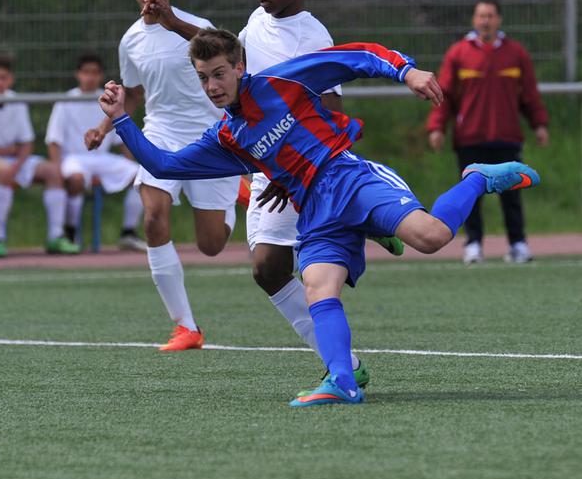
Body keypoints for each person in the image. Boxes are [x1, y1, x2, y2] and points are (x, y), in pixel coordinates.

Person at [99, 29, 539, 407]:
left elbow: (357, 57)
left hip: (346, 176)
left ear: (239, 66)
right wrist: (121, 118)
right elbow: (163, 164)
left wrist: (406, 70)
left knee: (431, 236)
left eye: (218, 74)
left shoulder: (282, 81)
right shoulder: (228, 137)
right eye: (203, 79)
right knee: (318, 288)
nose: (212, 86)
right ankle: (344, 382)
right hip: (313, 210)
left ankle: (477, 180)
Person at [137, 0, 402, 385]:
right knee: (267, 269)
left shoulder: (311, 36)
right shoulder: (258, 20)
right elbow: (226, 62)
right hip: (269, 162)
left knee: (269, 266)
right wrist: (174, 23)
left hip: (300, 164)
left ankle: (343, 361)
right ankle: (346, 363)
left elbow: (331, 107)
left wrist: (293, 167)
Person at [84, 0, 240, 352]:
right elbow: (134, 93)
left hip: (211, 138)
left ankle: (239, 189)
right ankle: (186, 327)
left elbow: (232, 70)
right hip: (161, 134)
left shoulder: (197, 29)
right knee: (153, 216)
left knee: (211, 245)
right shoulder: (130, 39)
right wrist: (103, 127)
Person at [426, 0, 549, 264]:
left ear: (499, 20)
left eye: (490, 16)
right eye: (481, 16)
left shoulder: (516, 53)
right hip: (470, 137)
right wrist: (437, 127)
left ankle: (518, 244)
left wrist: (539, 124)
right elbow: (444, 96)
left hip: (507, 136)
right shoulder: (459, 53)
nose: (485, 21)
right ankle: (473, 245)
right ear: (474, 19)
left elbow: (529, 95)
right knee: (471, 193)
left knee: (512, 194)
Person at [0, 56, 79, 257]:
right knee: (3, 171)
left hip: (12, 161)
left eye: (3, 78)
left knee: (53, 171)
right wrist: (10, 154)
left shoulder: (17, 101)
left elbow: (26, 142)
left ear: (10, 79)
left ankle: (55, 236)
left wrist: (18, 161)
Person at [45, 53, 146, 251]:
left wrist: (136, 162)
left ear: (100, 75)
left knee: (142, 177)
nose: (90, 77)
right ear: (78, 74)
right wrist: (56, 169)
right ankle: (70, 231)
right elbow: (54, 140)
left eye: (94, 73)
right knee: (75, 179)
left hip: (102, 158)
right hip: (73, 159)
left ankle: (128, 232)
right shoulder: (65, 101)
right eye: (86, 72)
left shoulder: (109, 99)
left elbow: (120, 140)